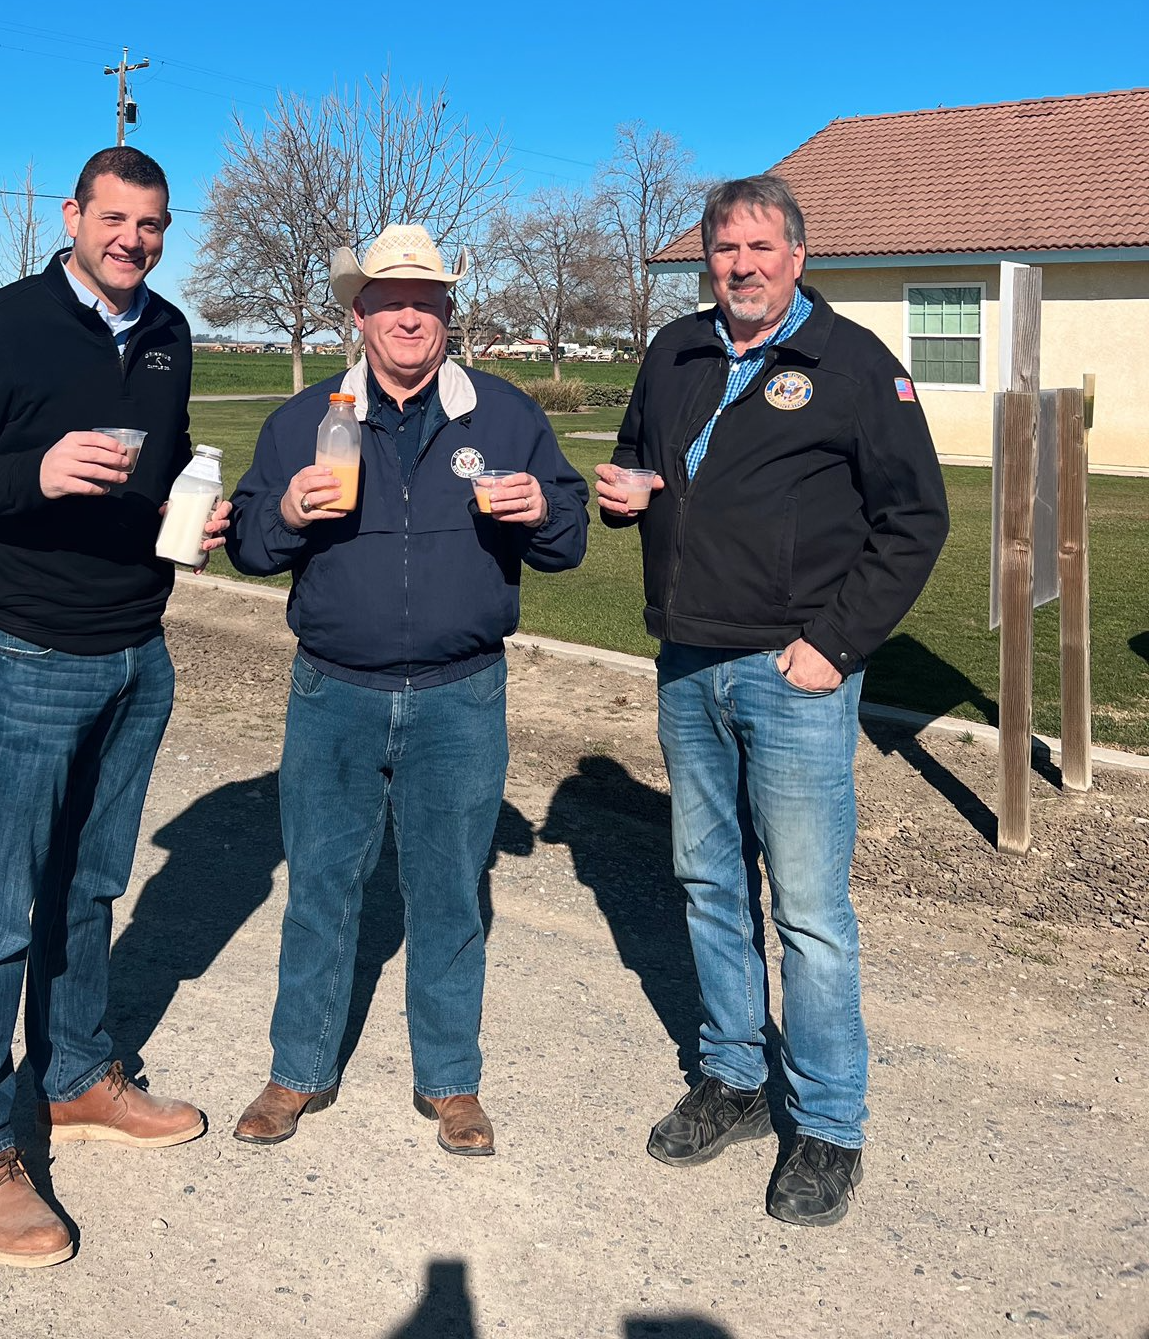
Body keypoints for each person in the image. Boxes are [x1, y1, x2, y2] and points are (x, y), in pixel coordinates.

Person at [0, 144, 230, 1267]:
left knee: (89, 883)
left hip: (139, 650)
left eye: (154, 223)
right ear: (76, 215)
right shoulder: (3, 326)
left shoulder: (171, 332)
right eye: (116, 218)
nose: (134, 238)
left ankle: (79, 1070)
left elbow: (164, 461)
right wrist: (31, 473)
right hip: (27, 651)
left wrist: (195, 511)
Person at [595, 174, 947, 1228]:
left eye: (759, 246)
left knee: (808, 910)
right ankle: (735, 1080)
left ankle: (830, 1126)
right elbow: (636, 458)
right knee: (707, 880)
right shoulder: (675, 351)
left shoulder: (852, 367)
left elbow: (913, 520)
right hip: (688, 662)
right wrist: (632, 492)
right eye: (722, 249)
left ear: (798, 254)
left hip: (794, 676)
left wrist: (833, 644)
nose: (739, 265)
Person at [227, 224, 588, 1157]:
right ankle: (297, 1068)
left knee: (448, 894)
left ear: (447, 315)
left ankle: (451, 1083)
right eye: (391, 302)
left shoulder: (502, 416)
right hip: (332, 692)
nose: (409, 318)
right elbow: (252, 546)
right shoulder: (306, 417)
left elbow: (570, 536)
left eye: (426, 303)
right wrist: (290, 514)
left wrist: (544, 509)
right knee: (320, 886)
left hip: (460, 696)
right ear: (360, 315)